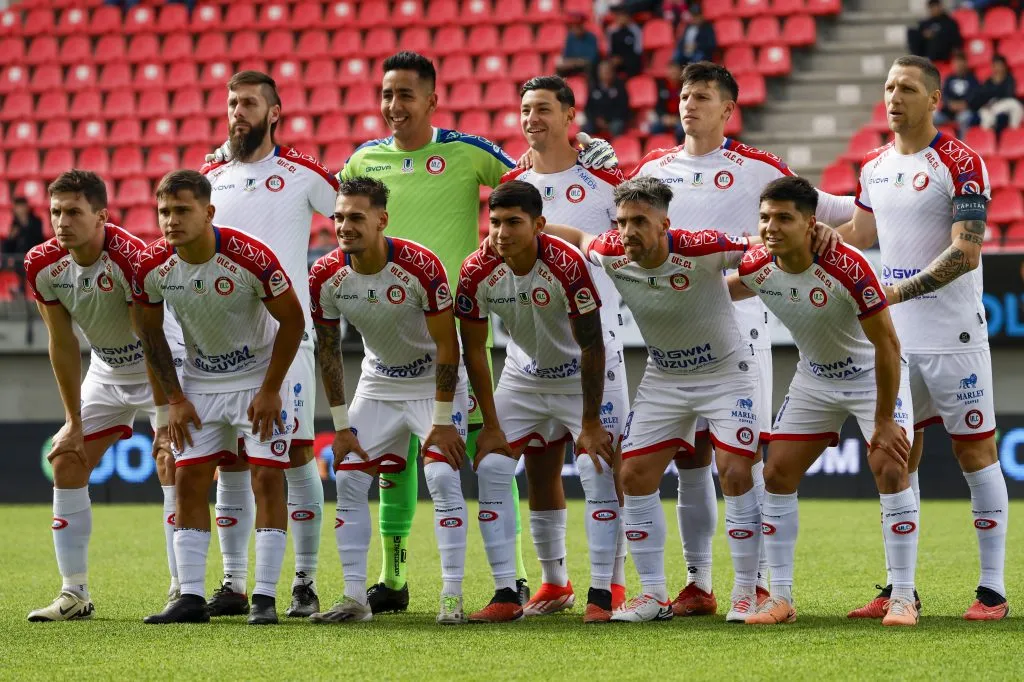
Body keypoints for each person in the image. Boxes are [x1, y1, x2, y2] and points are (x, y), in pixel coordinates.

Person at [331, 51, 615, 613]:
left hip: (460, 335)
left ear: (432, 100)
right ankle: (393, 577)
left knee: (490, 453)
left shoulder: (467, 151)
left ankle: (513, 580)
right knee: (392, 465)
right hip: (388, 338)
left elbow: (528, 181)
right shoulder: (362, 160)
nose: (394, 105)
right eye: (387, 94)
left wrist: (586, 150)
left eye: (406, 94)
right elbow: (332, 205)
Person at [627, 61, 856, 617]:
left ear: (728, 109)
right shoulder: (654, 167)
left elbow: (846, 213)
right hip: (676, 341)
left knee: (741, 464)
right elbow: (617, 215)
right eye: (685, 95)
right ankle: (697, 584)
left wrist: (827, 237)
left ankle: (754, 586)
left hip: (742, 336)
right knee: (690, 464)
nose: (689, 104)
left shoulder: (758, 168)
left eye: (703, 97)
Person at [546, 176, 766, 623]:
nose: (627, 231)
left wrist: (815, 234)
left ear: (664, 224)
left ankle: (746, 592)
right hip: (665, 377)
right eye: (622, 221)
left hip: (726, 374)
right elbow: (583, 238)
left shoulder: (702, 246)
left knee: (735, 471)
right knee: (633, 474)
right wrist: (536, 225)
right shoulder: (611, 251)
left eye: (639, 222)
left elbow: (762, 246)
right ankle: (653, 595)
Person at [839, 55, 1009, 621]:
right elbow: (860, 231)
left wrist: (893, 293)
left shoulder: (961, 161)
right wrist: (804, 242)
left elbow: (966, 251)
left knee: (975, 453)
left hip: (954, 336)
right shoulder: (873, 165)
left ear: (934, 98)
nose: (894, 96)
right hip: (896, 343)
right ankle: (899, 588)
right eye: (889, 86)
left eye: (907, 88)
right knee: (895, 455)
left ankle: (992, 591)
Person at [731, 176, 918, 627]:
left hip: (872, 377)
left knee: (890, 467)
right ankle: (780, 598)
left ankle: (902, 598)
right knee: (776, 473)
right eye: (765, 218)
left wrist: (884, 419)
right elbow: (720, 290)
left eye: (784, 218)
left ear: (810, 223)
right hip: (814, 379)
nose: (771, 227)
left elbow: (888, 344)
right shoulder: (756, 266)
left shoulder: (848, 265)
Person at [136, 170, 305, 625]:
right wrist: (174, 398)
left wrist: (270, 389)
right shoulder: (151, 267)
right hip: (201, 382)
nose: (171, 220)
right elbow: (149, 333)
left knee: (266, 478)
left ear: (209, 212)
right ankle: (190, 597)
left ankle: (264, 597)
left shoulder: (251, 256)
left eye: (182, 210)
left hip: (259, 378)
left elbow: (293, 321)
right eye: (163, 212)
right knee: (189, 480)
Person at [199, 70, 339, 619]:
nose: (239, 111)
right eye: (233, 102)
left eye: (250, 103)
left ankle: (304, 582)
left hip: (287, 338)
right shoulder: (212, 176)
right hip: (223, 346)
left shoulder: (302, 173)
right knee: (230, 460)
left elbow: (355, 212)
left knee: (296, 454)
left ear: (274, 112)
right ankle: (234, 583)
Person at [307, 177, 470, 625]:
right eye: (338, 217)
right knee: (349, 479)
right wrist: (341, 426)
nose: (344, 226)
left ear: (381, 220)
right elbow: (328, 351)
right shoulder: (324, 275)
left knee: (441, 477)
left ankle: (451, 597)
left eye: (356, 218)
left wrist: (442, 419)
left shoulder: (420, 265)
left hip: (433, 385)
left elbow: (448, 344)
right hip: (378, 383)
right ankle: (354, 598)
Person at [456, 181, 617, 623]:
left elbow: (592, 345)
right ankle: (508, 592)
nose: (501, 232)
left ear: (539, 225)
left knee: (596, 469)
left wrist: (590, 423)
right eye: (495, 222)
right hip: (523, 378)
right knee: (492, 466)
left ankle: (603, 593)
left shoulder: (567, 263)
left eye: (514, 222)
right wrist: (490, 425)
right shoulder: (475, 270)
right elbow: (474, 350)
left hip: (579, 378)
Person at [500, 76, 629, 619]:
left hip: (591, 350)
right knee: (539, 467)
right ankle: (554, 583)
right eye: (525, 109)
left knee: (602, 467)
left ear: (570, 114)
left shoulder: (605, 178)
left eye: (543, 109)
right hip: (528, 355)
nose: (532, 118)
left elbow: (624, 242)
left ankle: (611, 585)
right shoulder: (511, 182)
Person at [24, 170, 177, 622]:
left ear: (101, 216)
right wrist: (73, 421)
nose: (62, 222)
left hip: (162, 365)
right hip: (107, 371)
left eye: (74, 212)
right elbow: (62, 343)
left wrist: (164, 414)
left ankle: (182, 587)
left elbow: (149, 340)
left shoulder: (130, 258)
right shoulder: (41, 263)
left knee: (171, 461)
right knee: (66, 458)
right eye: (56, 212)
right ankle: (74, 594)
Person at [3, 196, 46, 294]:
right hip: (17, 258)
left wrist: (24, 227)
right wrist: (11, 238)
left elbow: (38, 240)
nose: (20, 210)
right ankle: (20, 289)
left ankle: (23, 289)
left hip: (33, 255)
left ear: (27, 207)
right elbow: (8, 246)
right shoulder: (14, 224)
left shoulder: (36, 221)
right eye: (17, 207)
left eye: (21, 207)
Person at [935, 50, 979, 135]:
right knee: (932, 117)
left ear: (965, 63)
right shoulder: (949, 79)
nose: (958, 65)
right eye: (956, 63)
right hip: (948, 112)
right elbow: (944, 95)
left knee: (964, 118)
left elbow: (973, 96)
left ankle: (962, 142)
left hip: (964, 110)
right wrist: (950, 104)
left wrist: (963, 104)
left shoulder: (972, 79)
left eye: (961, 62)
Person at [585, 60, 631, 138]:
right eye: (602, 70)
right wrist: (597, 119)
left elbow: (623, 108)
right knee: (586, 128)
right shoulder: (594, 88)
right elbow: (589, 108)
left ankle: (616, 145)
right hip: (597, 121)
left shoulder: (620, 88)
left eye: (608, 70)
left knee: (616, 126)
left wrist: (607, 121)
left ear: (613, 72)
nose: (605, 72)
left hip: (614, 120)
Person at [976, 55, 1023, 132]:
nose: (998, 68)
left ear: (1005, 66)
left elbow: (1009, 95)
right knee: (986, 116)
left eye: (1000, 65)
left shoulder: (1009, 78)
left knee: (1016, 105)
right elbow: (983, 97)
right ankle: (987, 137)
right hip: (988, 106)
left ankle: (1013, 132)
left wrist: (998, 84)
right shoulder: (988, 81)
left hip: (1003, 104)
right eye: (996, 65)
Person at [556, 13, 601, 79]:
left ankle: (590, 86)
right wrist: (573, 62)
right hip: (573, 67)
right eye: (574, 26)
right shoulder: (570, 38)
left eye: (579, 25)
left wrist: (575, 62)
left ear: (583, 25)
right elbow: (566, 57)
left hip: (586, 68)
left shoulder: (591, 37)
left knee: (591, 67)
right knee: (559, 68)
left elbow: (591, 59)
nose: (577, 28)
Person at [650, 62, 685, 143]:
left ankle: (678, 148)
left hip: (679, 119)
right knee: (655, 127)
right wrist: (664, 117)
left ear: (680, 72)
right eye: (671, 71)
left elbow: (687, 106)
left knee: (681, 130)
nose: (673, 73)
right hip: (665, 118)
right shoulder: (661, 86)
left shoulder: (685, 87)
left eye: (675, 71)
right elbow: (658, 106)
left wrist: (677, 118)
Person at [606, 5, 644, 78]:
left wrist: (623, 60)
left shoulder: (636, 30)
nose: (621, 18)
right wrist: (614, 59)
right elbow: (609, 50)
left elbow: (638, 51)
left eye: (623, 15)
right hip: (616, 60)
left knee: (635, 63)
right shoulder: (611, 31)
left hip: (631, 60)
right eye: (619, 16)